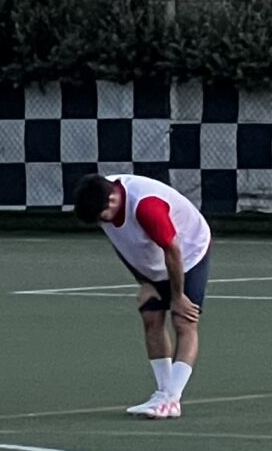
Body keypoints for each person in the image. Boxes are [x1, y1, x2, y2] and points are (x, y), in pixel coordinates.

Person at [71, 172, 213, 419]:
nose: (101, 223)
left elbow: (172, 249)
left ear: (113, 201)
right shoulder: (102, 202)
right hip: (156, 258)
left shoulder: (147, 206)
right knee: (151, 318)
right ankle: (163, 393)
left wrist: (178, 296)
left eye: (101, 218)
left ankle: (172, 399)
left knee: (184, 320)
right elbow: (123, 244)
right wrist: (144, 282)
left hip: (189, 252)